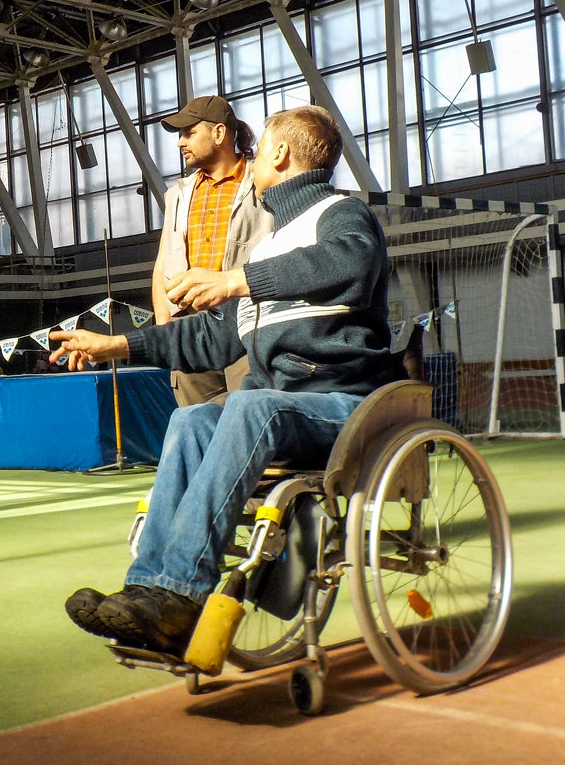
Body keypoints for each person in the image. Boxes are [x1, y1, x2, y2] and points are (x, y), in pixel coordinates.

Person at [50, 105, 396, 656]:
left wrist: (238, 279)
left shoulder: (340, 215)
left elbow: (349, 266)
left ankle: (180, 592)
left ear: (279, 155)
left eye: (258, 150)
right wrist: (117, 344)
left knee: (248, 406)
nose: (253, 160)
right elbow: (210, 340)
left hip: (343, 404)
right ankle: (146, 590)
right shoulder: (271, 247)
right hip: (285, 407)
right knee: (190, 418)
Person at [152, 95, 272, 408]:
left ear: (218, 134)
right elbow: (164, 259)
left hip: (247, 321)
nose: (180, 142)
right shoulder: (177, 194)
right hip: (190, 326)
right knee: (196, 420)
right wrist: (165, 325)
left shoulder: (263, 182)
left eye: (189, 133)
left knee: (249, 418)